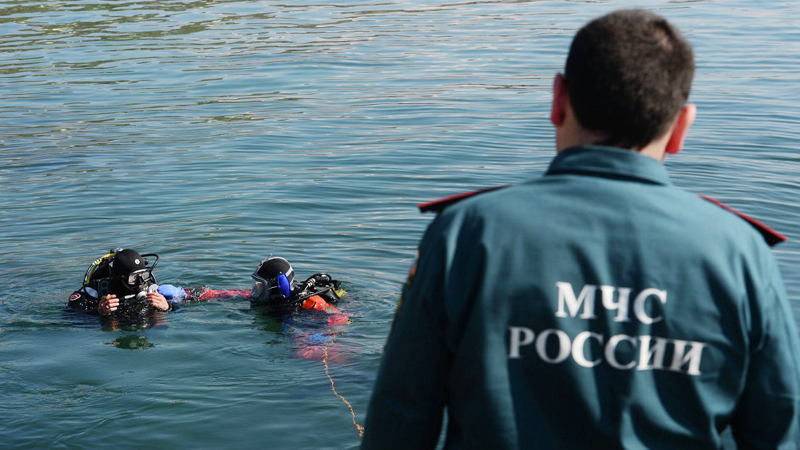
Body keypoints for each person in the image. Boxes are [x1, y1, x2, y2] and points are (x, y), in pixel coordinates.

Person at [362, 9, 800, 449]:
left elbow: (400, 418)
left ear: (558, 99)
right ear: (681, 128)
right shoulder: (741, 254)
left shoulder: (465, 234)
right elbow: (779, 429)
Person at [67, 248, 185, 319]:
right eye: (133, 278)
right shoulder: (93, 291)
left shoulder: (153, 290)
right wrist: (98, 312)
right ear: (120, 278)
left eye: (144, 275)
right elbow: (69, 318)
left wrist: (167, 307)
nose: (140, 283)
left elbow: (191, 304)